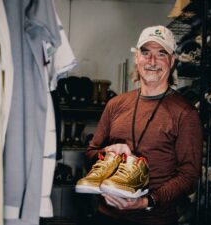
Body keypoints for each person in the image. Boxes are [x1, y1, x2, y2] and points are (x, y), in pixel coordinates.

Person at [84, 25, 203, 225]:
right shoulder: (115, 105)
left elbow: (189, 176)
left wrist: (146, 201)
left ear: (172, 61)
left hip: (154, 219)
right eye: (145, 53)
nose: (152, 61)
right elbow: (90, 155)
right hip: (107, 216)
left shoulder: (185, 113)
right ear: (136, 58)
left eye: (161, 54)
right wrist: (107, 152)